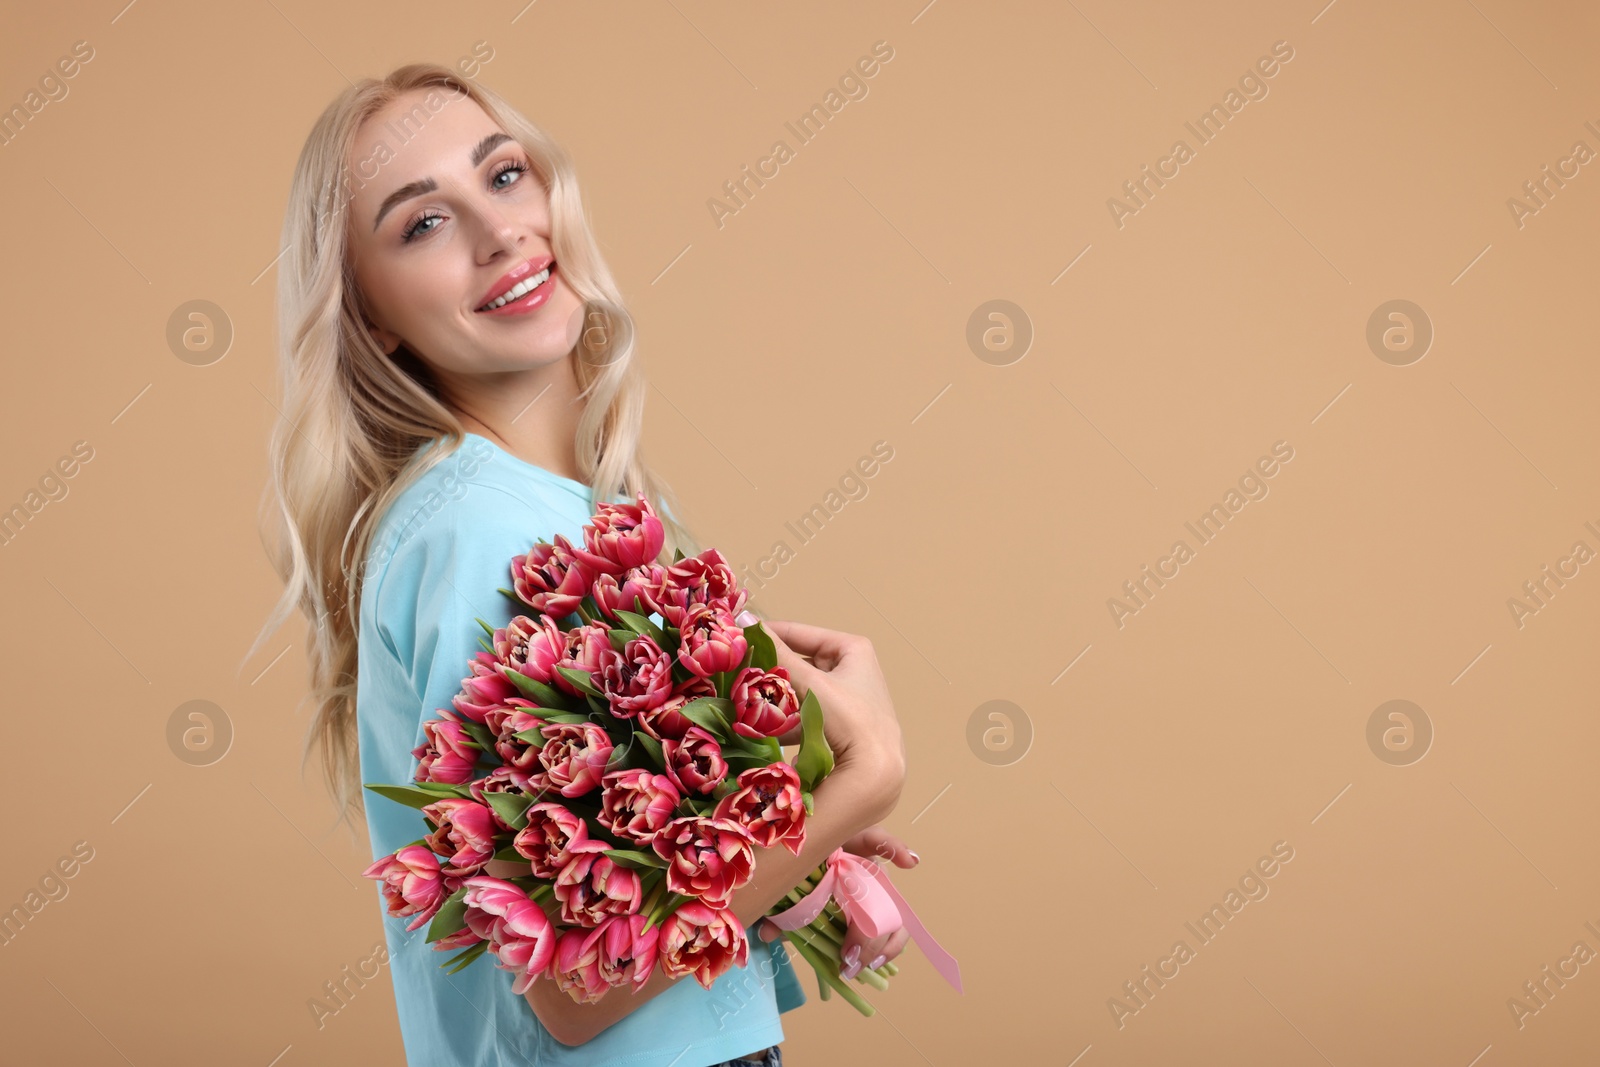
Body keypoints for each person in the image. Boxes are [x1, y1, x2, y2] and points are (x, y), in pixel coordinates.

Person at [251, 61, 917, 1067]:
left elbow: (614, 890)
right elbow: (572, 992)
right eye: (421, 223)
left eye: (505, 175)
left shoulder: (549, 513)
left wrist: (780, 827)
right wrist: (862, 779)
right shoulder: (478, 530)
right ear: (371, 317)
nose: (497, 231)